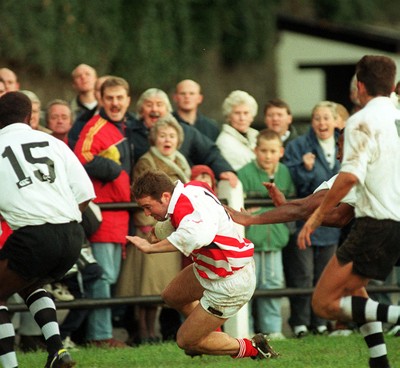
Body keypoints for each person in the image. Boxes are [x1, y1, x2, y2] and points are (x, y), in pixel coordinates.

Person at [297, 55, 400, 368]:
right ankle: (378, 361)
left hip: (378, 223)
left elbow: (350, 176)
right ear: (393, 86)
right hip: (394, 221)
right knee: (355, 288)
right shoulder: (397, 117)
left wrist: (316, 216)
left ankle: (396, 315)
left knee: (323, 303)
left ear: (360, 86)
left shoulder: (360, 121)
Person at [126, 169, 279, 360]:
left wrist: (150, 248)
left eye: (148, 207)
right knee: (171, 296)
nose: (147, 213)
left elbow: (196, 235)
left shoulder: (185, 209)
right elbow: (195, 219)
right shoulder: (193, 187)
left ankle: (255, 348)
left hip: (230, 279)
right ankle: (206, 335)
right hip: (212, 266)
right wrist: (162, 228)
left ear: (165, 196)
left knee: (185, 342)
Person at [0, 91, 95, 368]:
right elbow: (85, 194)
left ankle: (10, 366)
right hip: (71, 234)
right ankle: (57, 351)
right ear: (30, 117)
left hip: (33, 236)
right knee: (31, 283)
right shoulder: (54, 143)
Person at [116, 114, 191, 344]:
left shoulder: (180, 161)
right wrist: (152, 226)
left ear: (178, 139)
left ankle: (155, 330)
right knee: (145, 285)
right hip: (150, 228)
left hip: (173, 228)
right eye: (162, 135)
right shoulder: (146, 162)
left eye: (171, 135)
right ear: (153, 138)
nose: (167, 140)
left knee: (162, 285)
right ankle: (144, 331)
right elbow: (141, 197)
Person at [73, 76, 134, 348]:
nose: (115, 102)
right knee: (102, 278)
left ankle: (100, 333)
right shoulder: (96, 127)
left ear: (128, 100)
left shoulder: (119, 128)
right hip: (104, 216)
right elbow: (81, 157)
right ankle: (99, 336)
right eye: (110, 98)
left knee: (107, 278)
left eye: (120, 97)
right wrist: (113, 170)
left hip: (119, 218)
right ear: (101, 100)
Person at [282, 100, 341, 337]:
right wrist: (305, 169)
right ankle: (300, 322)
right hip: (304, 218)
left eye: (326, 117)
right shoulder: (298, 146)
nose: (322, 122)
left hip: (333, 221)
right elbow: (289, 178)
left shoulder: (344, 142)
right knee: (303, 274)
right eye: (317, 117)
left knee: (325, 274)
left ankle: (322, 321)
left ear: (335, 120)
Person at [237, 129, 295, 340]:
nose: (268, 155)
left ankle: (273, 328)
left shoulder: (285, 173)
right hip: (251, 240)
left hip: (276, 239)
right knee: (247, 286)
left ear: (280, 151)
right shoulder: (243, 173)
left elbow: (289, 204)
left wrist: (260, 212)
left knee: (272, 284)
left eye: (272, 151)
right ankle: (247, 329)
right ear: (255, 150)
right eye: (263, 150)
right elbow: (240, 206)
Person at [127, 88, 238, 187]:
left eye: (159, 104)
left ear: (167, 110)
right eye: (149, 105)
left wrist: (224, 170)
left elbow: (209, 151)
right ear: (141, 110)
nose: (154, 109)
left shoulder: (185, 131)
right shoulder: (130, 132)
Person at [216, 90, 259, 171]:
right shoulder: (224, 142)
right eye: (237, 113)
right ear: (228, 116)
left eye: (246, 113)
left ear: (252, 116)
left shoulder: (257, 136)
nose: (242, 118)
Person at [68, 75, 112, 151]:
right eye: (100, 90)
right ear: (94, 93)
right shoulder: (81, 120)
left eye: (108, 90)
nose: (104, 95)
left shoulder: (130, 122)